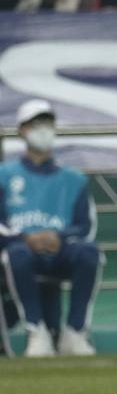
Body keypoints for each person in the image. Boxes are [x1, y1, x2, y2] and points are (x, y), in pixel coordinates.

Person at [0, 99, 101, 357]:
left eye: (48, 123)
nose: (43, 129)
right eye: (36, 124)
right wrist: (25, 238)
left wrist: (59, 237)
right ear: (22, 130)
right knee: (16, 255)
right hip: (19, 249)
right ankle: (36, 332)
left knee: (89, 252)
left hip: (61, 249)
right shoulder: (4, 174)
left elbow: (86, 226)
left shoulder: (74, 179)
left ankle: (75, 332)